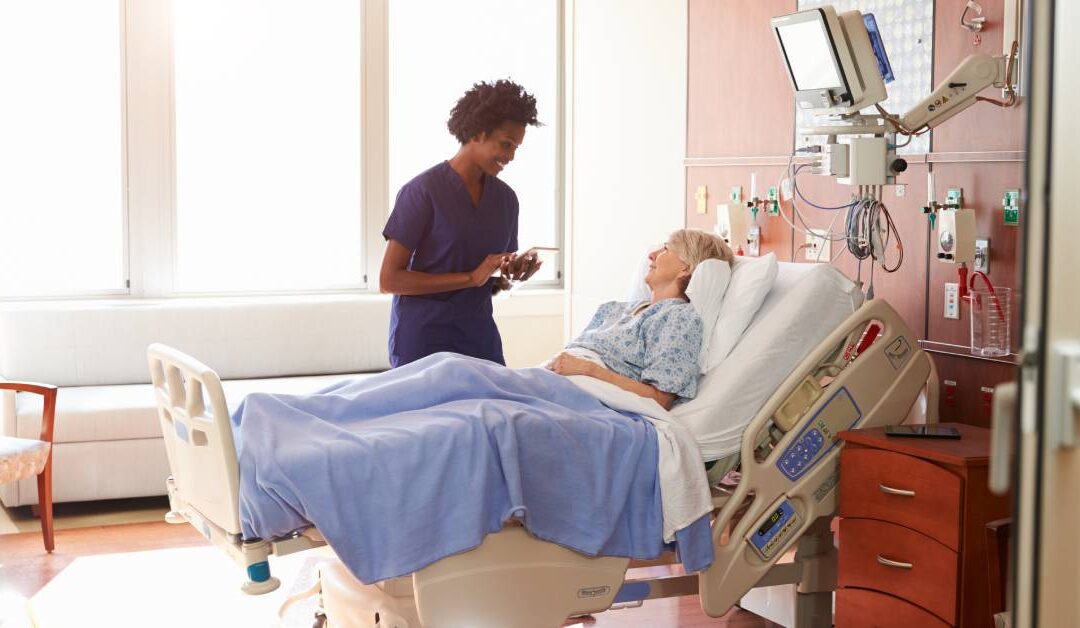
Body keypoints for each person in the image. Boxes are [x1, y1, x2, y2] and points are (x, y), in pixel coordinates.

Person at [380, 79, 543, 368]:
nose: (511, 156)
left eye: (516, 147)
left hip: (478, 339)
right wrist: (470, 277)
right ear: (479, 133)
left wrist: (512, 273)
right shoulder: (421, 192)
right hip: (423, 341)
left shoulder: (506, 200)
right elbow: (389, 280)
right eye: (506, 144)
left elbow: (492, 280)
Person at [547, 229, 734, 410]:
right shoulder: (615, 308)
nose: (652, 255)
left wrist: (588, 369)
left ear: (686, 267)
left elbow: (660, 400)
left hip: (586, 402)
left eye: (666, 249)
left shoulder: (678, 319)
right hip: (553, 383)